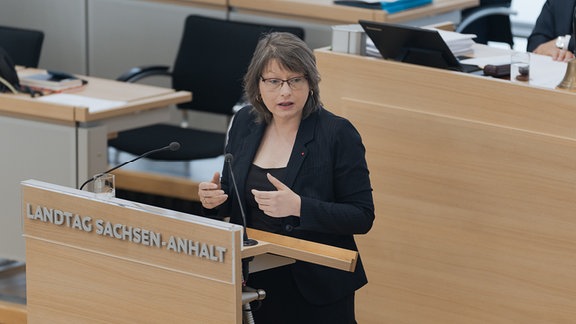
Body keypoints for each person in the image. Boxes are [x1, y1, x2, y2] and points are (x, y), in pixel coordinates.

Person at [198, 32, 375, 323]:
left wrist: (299, 207)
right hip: (255, 278)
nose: (285, 93)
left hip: (315, 286)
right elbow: (233, 198)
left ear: (310, 83)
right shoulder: (245, 122)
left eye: (296, 80)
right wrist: (213, 200)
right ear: (257, 84)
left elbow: (361, 216)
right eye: (274, 82)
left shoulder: (337, 134)